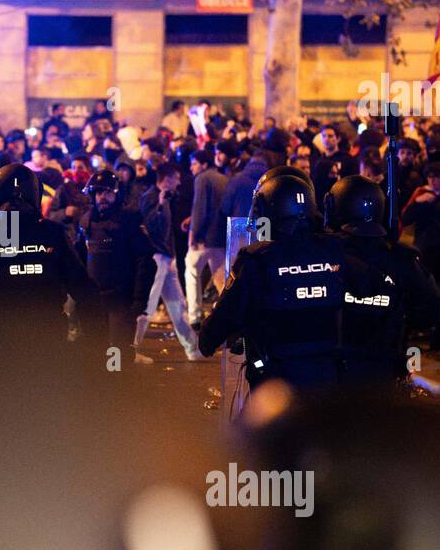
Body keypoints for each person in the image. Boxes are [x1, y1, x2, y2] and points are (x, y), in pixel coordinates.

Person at [199, 174, 373, 391]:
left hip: (275, 384)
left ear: (268, 212)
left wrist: (207, 340)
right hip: (329, 380)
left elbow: (225, 315)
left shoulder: (257, 259)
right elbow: (369, 294)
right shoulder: (336, 250)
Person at [0, 164, 103, 347]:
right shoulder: (54, 233)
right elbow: (84, 289)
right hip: (48, 339)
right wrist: (96, 343)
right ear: (36, 193)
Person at [323, 176, 440, 383]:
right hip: (386, 368)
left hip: (334, 370)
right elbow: (430, 310)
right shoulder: (402, 258)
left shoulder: (325, 254)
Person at [78, 169, 157, 361]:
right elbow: (78, 260)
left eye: (106, 193)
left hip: (121, 302)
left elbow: (145, 263)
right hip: (95, 302)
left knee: (118, 358)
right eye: (98, 193)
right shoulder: (87, 222)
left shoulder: (129, 220)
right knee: (95, 355)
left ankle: (120, 390)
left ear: (116, 194)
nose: (102, 197)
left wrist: (139, 301)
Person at [136, 163, 202, 361]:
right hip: (157, 257)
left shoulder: (164, 197)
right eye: (176, 177)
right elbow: (155, 226)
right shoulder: (151, 197)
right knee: (148, 307)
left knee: (177, 305)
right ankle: (129, 348)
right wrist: (162, 204)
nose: (179, 182)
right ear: (167, 179)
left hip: (166, 257)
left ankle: (193, 349)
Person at [399, 163, 440, 351]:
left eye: (439, 177)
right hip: (426, 253)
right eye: (431, 178)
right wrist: (419, 203)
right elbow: (406, 218)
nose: (435, 181)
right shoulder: (421, 195)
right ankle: (411, 335)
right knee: (425, 292)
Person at [184, 149, 228, 328]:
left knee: (192, 271)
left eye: (194, 163)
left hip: (204, 238)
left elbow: (200, 209)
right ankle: (227, 314)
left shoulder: (202, 179)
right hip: (220, 236)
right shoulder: (223, 178)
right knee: (222, 279)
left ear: (203, 164)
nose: (191, 167)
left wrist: (193, 234)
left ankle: (195, 315)